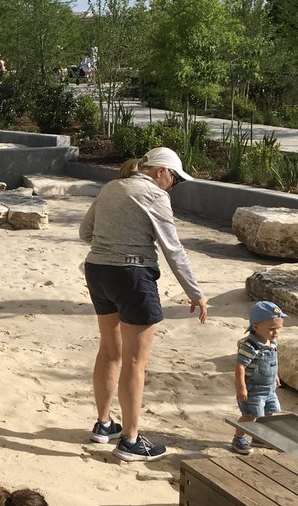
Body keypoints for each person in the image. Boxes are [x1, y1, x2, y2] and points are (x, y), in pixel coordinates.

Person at [79, 147, 208, 462]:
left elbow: (85, 232)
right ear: (161, 171)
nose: (172, 186)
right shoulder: (154, 196)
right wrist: (195, 292)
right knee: (136, 363)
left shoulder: (111, 187)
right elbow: (172, 248)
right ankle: (131, 441)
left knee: (110, 351)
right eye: (174, 179)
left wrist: (112, 244)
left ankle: (103, 424)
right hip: (133, 277)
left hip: (98, 272)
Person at [232, 301, 285, 455]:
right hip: (253, 389)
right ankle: (238, 438)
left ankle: (258, 437)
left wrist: (275, 376)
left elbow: (273, 362)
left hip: (269, 388)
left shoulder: (272, 342)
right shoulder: (250, 346)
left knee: (269, 412)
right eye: (271, 329)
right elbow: (240, 367)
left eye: (279, 328)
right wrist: (241, 387)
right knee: (251, 414)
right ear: (256, 327)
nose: (276, 333)